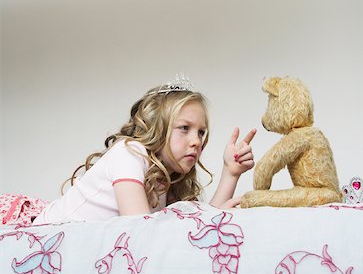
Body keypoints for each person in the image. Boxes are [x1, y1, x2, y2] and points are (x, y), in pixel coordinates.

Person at [33, 75, 256, 224]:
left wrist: (230, 172)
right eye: (184, 128)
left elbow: (202, 224)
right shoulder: (129, 153)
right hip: (44, 236)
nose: (196, 141)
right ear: (157, 128)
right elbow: (140, 231)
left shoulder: (166, 178)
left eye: (200, 132)